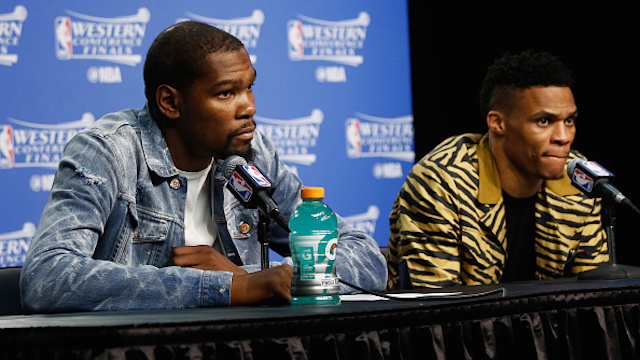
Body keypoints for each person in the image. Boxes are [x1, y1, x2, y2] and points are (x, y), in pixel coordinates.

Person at [20, 21, 387, 312]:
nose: (249, 107)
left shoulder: (252, 155)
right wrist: (232, 288)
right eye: (226, 93)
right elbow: (47, 276)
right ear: (170, 102)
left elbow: (367, 259)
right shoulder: (107, 152)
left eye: (250, 87)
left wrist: (252, 279)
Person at [386, 50, 609, 289]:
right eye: (544, 121)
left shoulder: (578, 178)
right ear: (498, 123)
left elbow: (594, 295)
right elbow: (437, 308)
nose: (563, 137)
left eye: (569, 121)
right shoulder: (441, 180)